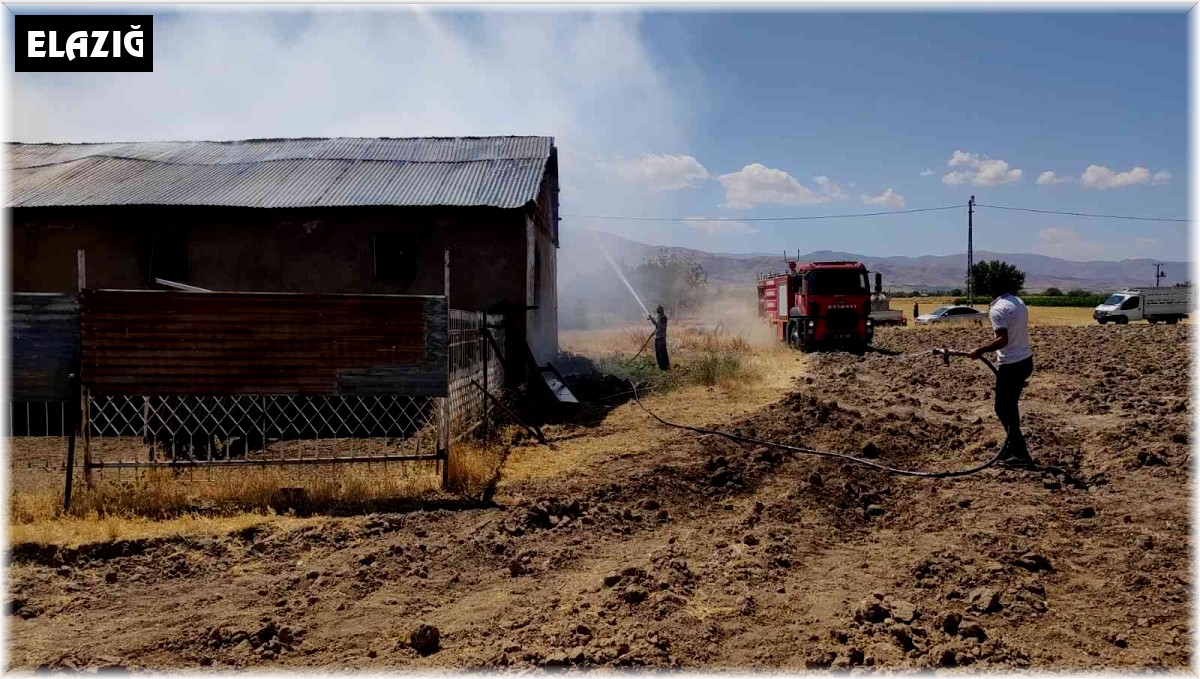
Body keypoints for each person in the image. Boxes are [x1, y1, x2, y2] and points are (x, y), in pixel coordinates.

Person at [966, 280, 1034, 469]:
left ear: (990, 289)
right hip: (1025, 361)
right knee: (1008, 407)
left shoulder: (997, 309)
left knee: (1003, 409)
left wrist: (979, 350)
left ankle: (1020, 454)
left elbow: (1002, 340)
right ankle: (1012, 447)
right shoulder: (1018, 302)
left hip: (1011, 364)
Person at [649, 305, 670, 371]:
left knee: (662, 353)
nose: (657, 310)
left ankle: (665, 367)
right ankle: (661, 367)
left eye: (658, 309)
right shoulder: (659, 317)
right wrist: (652, 319)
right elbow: (657, 326)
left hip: (661, 338)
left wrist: (653, 320)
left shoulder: (664, 317)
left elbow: (661, 327)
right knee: (658, 353)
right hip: (657, 337)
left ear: (661, 310)